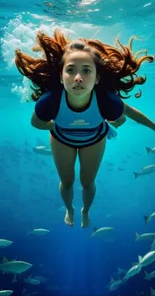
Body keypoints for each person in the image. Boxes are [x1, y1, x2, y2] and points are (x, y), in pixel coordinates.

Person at [15, 28, 155, 228]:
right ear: (61, 77)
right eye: (71, 70)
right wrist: (56, 125)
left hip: (94, 139)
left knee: (87, 183)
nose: (78, 78)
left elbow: (131, 113)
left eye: (86, 70)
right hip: (61, 138)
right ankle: (69, 209)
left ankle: (85, 211)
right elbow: (36, 123)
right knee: (67, 181)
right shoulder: (50, 101)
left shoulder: (106, 100)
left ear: (97, 78)